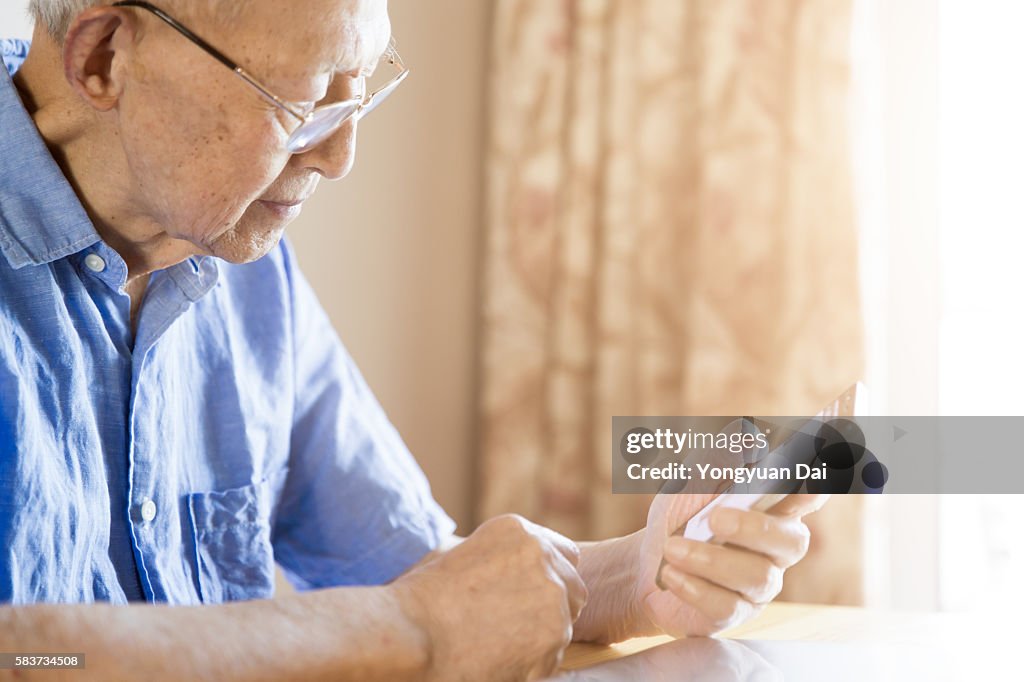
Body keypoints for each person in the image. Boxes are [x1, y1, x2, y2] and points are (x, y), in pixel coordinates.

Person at [0, 1, 828, 679]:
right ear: (104, 56)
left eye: (361, 90)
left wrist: (636, 579)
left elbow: (420, 576)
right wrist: (403, 626)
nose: (340, 155)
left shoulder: (236, 254)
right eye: (303, 101)